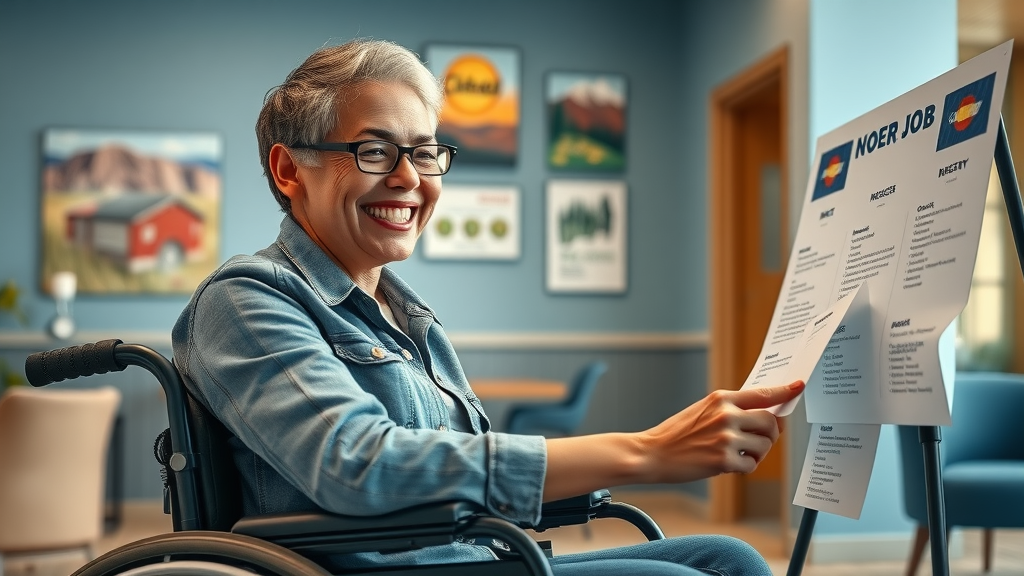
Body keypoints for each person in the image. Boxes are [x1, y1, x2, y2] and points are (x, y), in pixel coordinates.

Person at [171, 38, 806, 575]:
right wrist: (646, 451)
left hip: (468, 553)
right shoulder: (247, 299)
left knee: (729, 559)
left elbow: (462, 466)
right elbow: (358, 465)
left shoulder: (405, 313)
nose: (409, 178)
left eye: (423, 152)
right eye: (373, 151)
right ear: (290, 171)